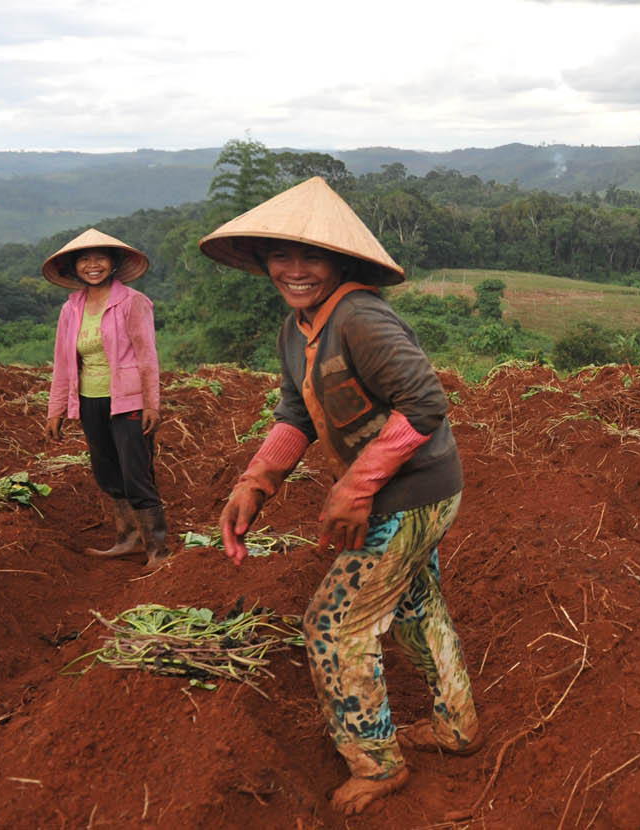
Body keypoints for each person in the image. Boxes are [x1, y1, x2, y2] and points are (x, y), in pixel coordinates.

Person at [205, 177, 479, 816]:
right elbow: (295, 412)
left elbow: (427, 403)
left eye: (312, 258)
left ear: (340, 263)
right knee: (416, 605)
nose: (295, 270)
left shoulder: (360, 316)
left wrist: (355, 486)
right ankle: (455, 727)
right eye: (281, 256)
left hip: (410, 494)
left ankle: (377, 763)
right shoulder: (299, 328)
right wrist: (256, 482)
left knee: (332, 624)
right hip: (408, 491)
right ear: (264, 261)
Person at [41, 229, 169, 567]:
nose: (92, 265)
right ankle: (128, 539)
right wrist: (56, 410)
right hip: (89, 401)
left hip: (128, 400)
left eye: (100, 258)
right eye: (84, 259)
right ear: (74, 267)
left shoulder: (132, 302)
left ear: (113, 263)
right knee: (107, 472)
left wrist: (152, 404)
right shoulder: (71, 308)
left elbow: (148, 355)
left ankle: (157, 550)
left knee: (135, 472)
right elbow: (63, 362)